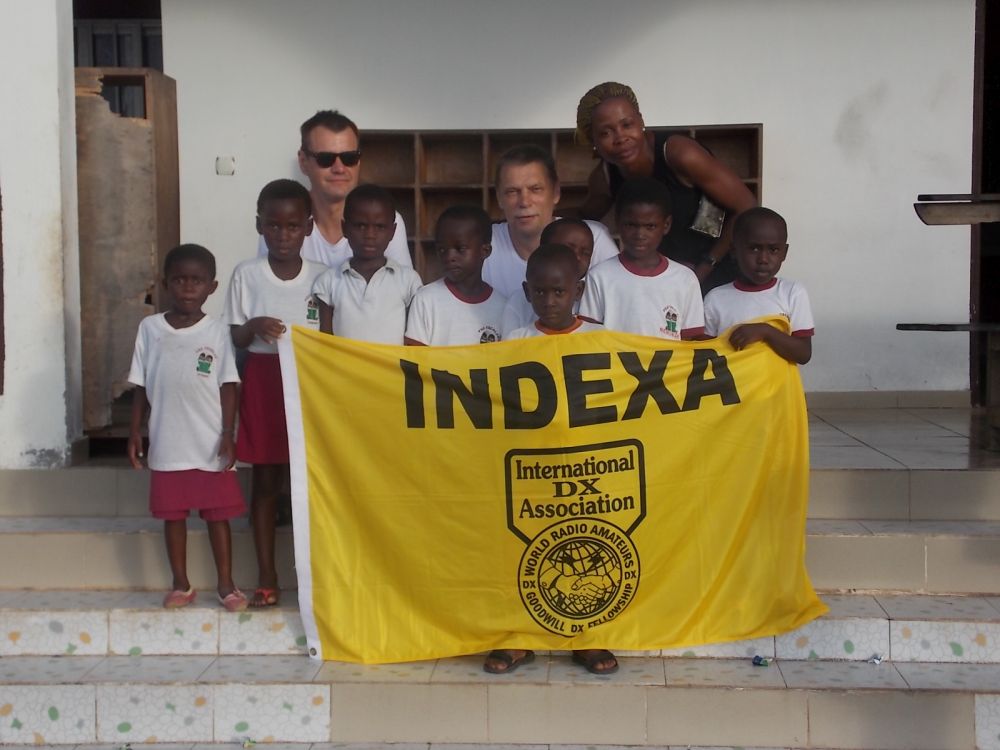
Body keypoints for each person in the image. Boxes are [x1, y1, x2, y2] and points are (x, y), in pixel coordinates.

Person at [488, 244, 615, 676]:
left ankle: (587, 638)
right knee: (517, 552)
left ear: (577, 290)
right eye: (540, 292)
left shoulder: (600, 339)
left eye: (559, 292)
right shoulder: (514, 343)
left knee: (585, 553)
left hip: (587, 471)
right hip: (530, 471)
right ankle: (516, 636)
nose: (549, 300)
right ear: (527, 292)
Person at [126, 244, 248, 612]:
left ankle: (226, 584)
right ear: (165, 284)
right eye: (179, 280)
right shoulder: (150, 329)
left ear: (212, 287)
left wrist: (228, 434)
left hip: (209, 441)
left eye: (197, 281)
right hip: (168, 441)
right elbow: (140, 385)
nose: (188, 288)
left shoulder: (218, 330)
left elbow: (228, 385)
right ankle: (181, 584)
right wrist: (135, 431)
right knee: (173, 516)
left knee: (218, 516)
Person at [225, 179, 326, 608]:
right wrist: (253, 326)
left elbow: (331, 335)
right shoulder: (247, 275)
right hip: (264, 382)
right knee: (266, 482)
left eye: (292, 226)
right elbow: (234, 336)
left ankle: (314, 577)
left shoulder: (322, 277)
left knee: (310, 484)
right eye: (273, 226)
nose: (283, 235)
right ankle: (267, 575)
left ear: (308, 227)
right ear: (259, 226)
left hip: (309, 383)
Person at [574, 82, 757, 291]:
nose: (621, 138)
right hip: (666, 284)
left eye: (627, 125)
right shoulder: (604, 177)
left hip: (719, 274)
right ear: (593, 140)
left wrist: (704, 268)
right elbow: (584, 217)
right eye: (606, 133)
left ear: (641, 121)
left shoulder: (679, 153)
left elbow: (747, 207)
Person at [257, 110, 413, 270]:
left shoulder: (385, 221)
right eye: (326, 159)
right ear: (303, 161)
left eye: (349, 158)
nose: (339, 168)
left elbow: (403, 283)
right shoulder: (278, 219)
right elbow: (267, 283)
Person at [483, 144, 618, 299]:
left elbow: (619, 302)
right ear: (499, 198)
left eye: (535, 189)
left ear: (555, 192)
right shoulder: (482, 244)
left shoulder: (593, 238)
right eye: (512, 191)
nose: (524, 202)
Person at [580, 178, 705, 340]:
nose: (640, 235)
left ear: (666, 225)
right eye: (631, 225)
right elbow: (587, 339)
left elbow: (692, 341)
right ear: (617, 222)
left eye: (650, 226)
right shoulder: (599, 276)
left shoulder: (685, 279)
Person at [312, 184, 423, 343]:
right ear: (344, 228)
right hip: (342, 361)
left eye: (380, 227)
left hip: (391, 361)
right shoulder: (328, 282)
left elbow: (414, 340)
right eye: (361, 226)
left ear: (392, 231)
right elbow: (325, 342)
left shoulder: (409, 281)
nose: (370, 235)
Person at [704, 206, 814, 364]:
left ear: (784, 252)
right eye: (754, 249)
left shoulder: (792, 293)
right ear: (734, 250)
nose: (763, 259)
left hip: (777, 381)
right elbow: (705, 355)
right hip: (733, 380)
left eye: (773, 250)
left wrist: (766, 332)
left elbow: (803, 354)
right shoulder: (715, 299)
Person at [405, 205, 506, 346]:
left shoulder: (502, 306)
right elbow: (416, 356)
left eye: (460, 248)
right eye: (442, 249)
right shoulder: (426, 299)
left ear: (485, 251)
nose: (449, 257)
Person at [501, 218, 599, 336]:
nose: (577, 257)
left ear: (578, 290)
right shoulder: (518, 303)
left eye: (585, 253)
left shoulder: (596, 291)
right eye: (568, 249)